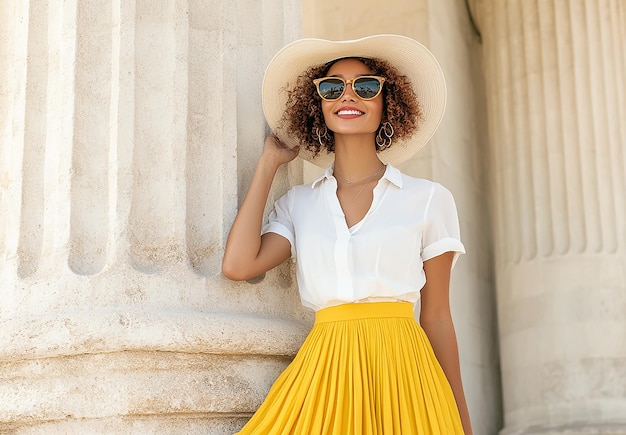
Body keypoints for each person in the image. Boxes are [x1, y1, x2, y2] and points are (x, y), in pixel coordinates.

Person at [222, 34, 472, 434]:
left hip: (405, 375)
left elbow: (438, 316)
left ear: (388, 102)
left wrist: (461, 418)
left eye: (367, 86)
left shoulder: (429, 199)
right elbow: (237, 265)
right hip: (325, 372)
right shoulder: (299, 204)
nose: (348, 96)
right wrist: (268, 163)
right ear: (318, 104)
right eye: (333, 87)